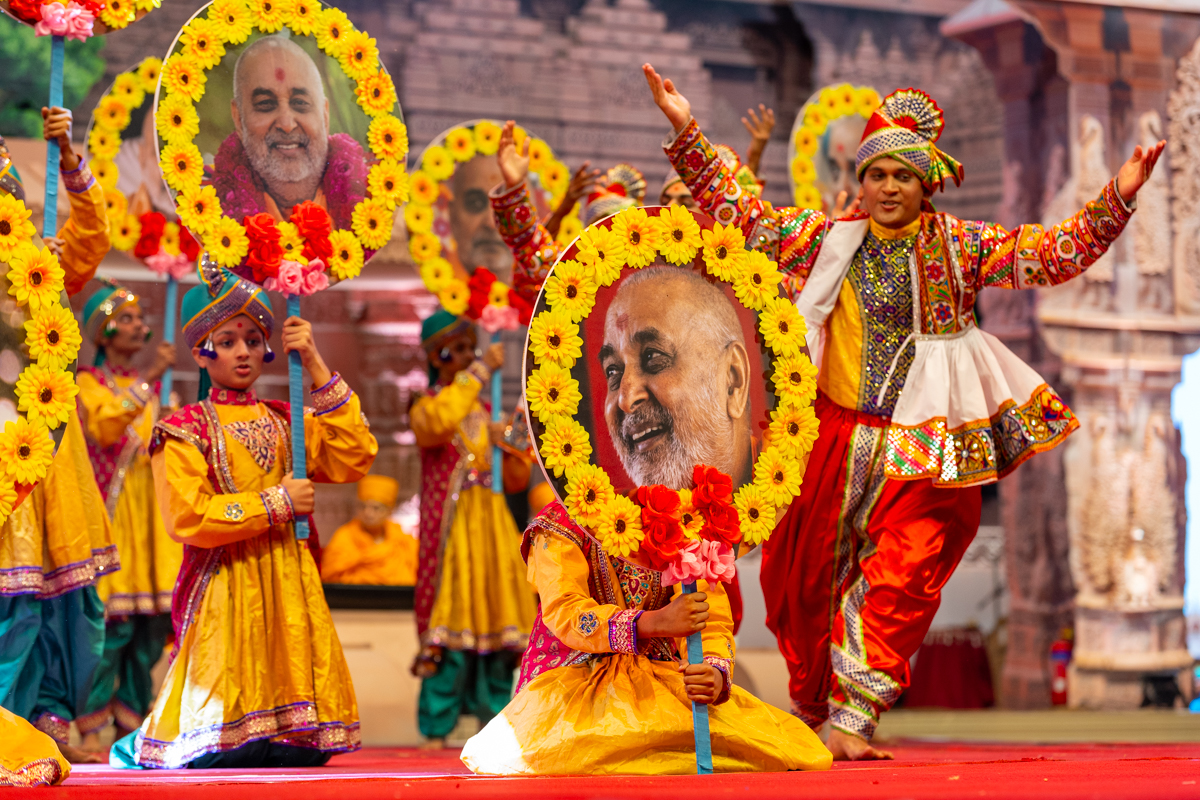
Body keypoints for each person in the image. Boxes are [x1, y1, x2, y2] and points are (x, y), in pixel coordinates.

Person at [644, 64, 1164, 760]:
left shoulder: (958, 246)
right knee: (796, 591)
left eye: (903, 176)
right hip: (828, 438)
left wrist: (1117, 199)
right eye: (877, 174)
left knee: (904, 573)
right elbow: (743, 215)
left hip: (920, 446)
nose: (888, 187)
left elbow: (1047, 255)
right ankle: (813, 705)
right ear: (861, 180)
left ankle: (855, 717)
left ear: (928, 185)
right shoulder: (825, 240)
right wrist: (686, 128)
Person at [110, 262, 377, 769]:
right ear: (201, 352)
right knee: (211, 750)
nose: (244, 352)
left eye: (254, 340)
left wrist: (316, 362)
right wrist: (277, 503)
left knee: (295, 751)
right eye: (228, 341)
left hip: (288, 579)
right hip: (224, 581)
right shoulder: (183, 429)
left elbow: (354, 453)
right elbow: (188, 518)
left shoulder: (285, 419)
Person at [459, 501, 832, 775]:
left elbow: (709, 615)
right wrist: (650, 624)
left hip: (659, 680)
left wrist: (715, 671)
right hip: (571, 680)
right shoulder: (561, 522)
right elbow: (567, 612)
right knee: (577, 755)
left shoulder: (680, 519)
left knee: (776, 747)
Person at [0, 107, 114, 765]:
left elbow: (94, 232)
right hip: (7, 457)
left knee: (70, 603)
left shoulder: (41, 266)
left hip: (53, 455)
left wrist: (69, 156)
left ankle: (48, 720)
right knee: (12, 603)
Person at [410, 308, 537, 749]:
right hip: (452, 531)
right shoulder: (425, 404)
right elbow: (438, 425)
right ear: (436, 356)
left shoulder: (486, 410)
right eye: (455, 351)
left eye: (470, 349)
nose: (464, 358)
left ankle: (494, 720)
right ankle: (437, 725)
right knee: (452, 621)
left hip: (494, 527)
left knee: (501, 620)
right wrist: (480, 372)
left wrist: (516, 439)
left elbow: (517, 481)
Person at [75, 283, 181, 750]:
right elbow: (104, 427)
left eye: (141, 318)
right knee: (112, 633)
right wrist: (150, 378)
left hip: (153, 525)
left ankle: (134, 726)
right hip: (115, 519)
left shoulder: (152, 389)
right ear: (105, 331)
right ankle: (93, 729)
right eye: (130, 318)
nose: (141, 326)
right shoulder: (87, 383)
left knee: (147, 634)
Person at [600, 266, 753, 490]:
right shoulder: (588, 521)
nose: (626, 398)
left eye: (652, 357)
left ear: (732, 381)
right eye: (612, 371)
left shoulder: (812, 497)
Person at [213, 35, 367, 229]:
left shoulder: (372, 209)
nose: (286, 124)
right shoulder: (206, 219)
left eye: (300, 103)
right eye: (265, 104)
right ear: (238, 118)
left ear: (325, 115)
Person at [321, 475, 418, 585]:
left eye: (376, 508)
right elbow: (331, 576)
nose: (368, 513)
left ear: (390, 510)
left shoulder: (403, 542)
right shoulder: (344, 536)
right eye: (362, 506)